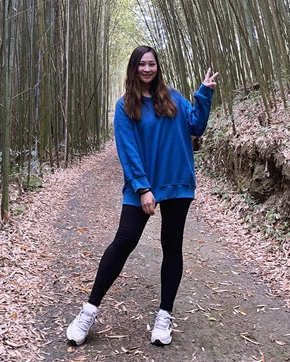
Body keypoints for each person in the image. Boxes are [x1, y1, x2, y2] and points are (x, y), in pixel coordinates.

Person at [66, 45, 218, 347]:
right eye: (141, 64)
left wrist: (204, 92)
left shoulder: (173, 97)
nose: (147, 69)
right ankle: (89, 310)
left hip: (176, 180)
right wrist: (143, 188)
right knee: (124, 241)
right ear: (134, 68)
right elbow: (128, 150)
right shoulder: (125, 106)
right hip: (143, 184)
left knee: (171, 246)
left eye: (151, 64)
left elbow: (197, 125)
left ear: (157, 67)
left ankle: (164, 316)